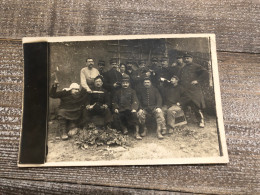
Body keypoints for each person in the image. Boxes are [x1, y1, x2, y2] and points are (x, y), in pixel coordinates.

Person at [178, 53, 209, 128]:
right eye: (185, 58)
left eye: (188, 58)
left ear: (192, 58)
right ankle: (184, 121)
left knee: (197, 105)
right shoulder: (183, 68)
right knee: (183, 105)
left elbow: (206, 73)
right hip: (185, 90)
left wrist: (197, 81)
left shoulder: (196, 66)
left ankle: (201, 121)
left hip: (194, 90)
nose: (186, 59)